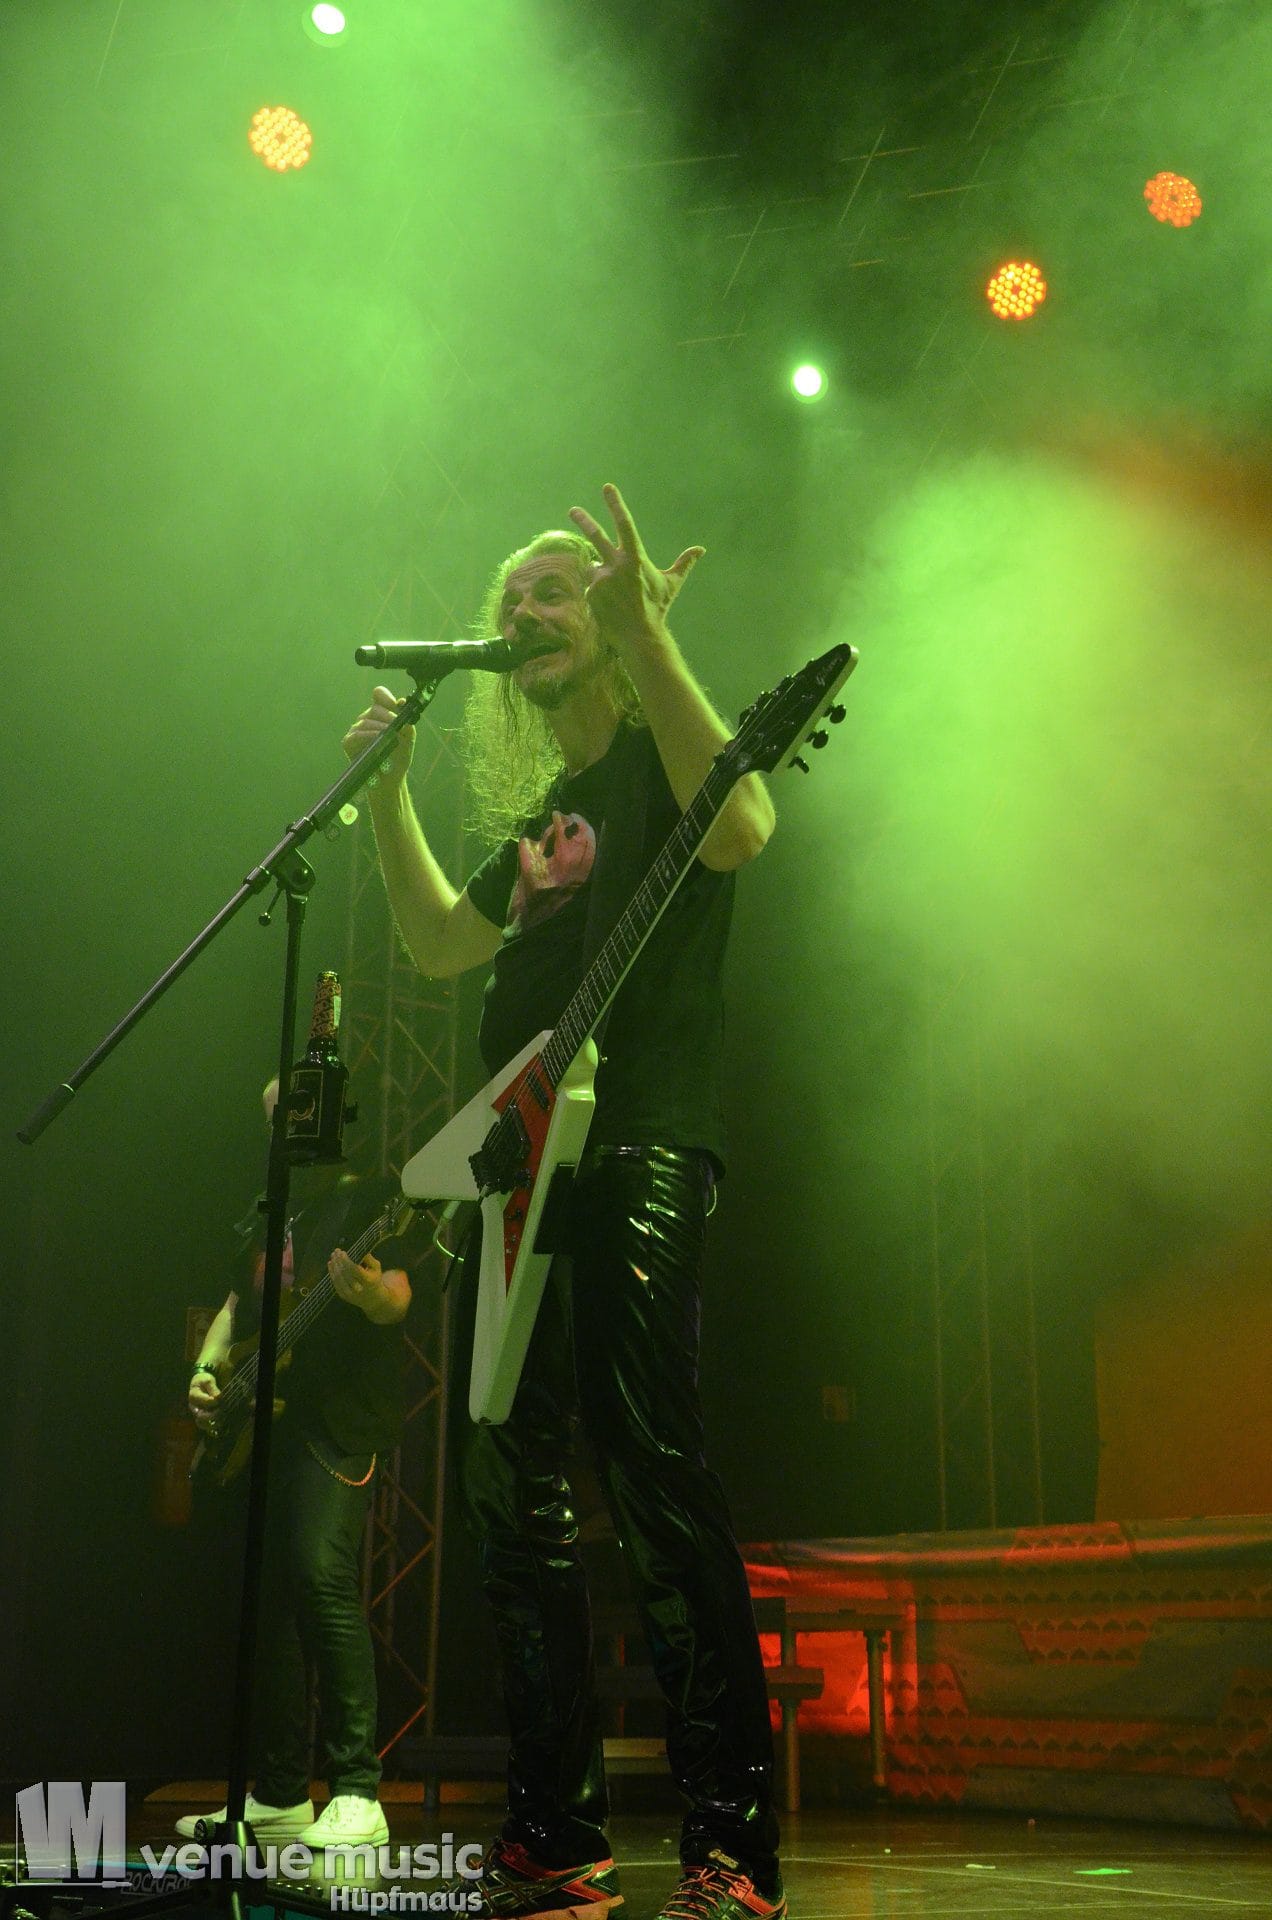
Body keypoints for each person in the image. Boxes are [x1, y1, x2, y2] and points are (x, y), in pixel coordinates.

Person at [342, 485, 784, 1920]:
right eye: (512, 599)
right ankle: (553, 1837)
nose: (524, 612)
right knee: (508, 1496)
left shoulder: (666, 761)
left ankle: (731, 1844)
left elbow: (747, 821)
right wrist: (385, 798)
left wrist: (651, 636)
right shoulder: (540, 826)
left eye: (553, 592)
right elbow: (435, 945)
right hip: (515, 1172)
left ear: (606, 617)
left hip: (643, 1137)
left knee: (649, 1459)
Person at [177, 1078, 416, 1851]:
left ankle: (356, 1791)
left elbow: (400, 1296)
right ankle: (280, 1793)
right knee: (268, 1606)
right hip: (264, 1426)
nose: (280, 1129)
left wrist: (368, 1292)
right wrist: (206, 1369)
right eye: (271, 1118)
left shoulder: (373, 1198)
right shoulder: (267, 1212)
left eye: (292, 1115)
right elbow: (233, 1306)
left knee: (320, 1578)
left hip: (335, 1423)